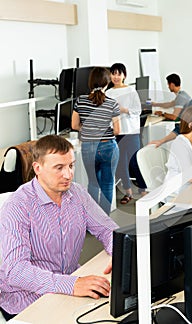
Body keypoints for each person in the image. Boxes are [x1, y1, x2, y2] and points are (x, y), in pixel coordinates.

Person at [0, 135, 119, 320]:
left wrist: (117, 251)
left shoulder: (77, 193)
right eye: (59, 168)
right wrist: (71, 285)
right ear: (37, 168)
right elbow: (16, 272)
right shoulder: (18, 206)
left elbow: (107, 230)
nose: (68, 174)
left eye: (71, 165)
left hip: (69, 285)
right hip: (26, 299)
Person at [72, 67, 121, 215]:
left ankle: (93, 218)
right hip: (108, 147)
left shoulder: (80, 101)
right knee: (107, 184)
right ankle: (104, 219)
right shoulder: (112, 103)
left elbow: (74, 125)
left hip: (88, 147)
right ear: (107, 83)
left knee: (93, 183)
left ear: (90, 82)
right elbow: (117, 130)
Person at [106, 63, 147, 204]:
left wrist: (122, 109)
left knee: (135, 161)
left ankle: (143, 191)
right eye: (113, 73)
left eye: (119, 74)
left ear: (124, 75)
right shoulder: (108, 93)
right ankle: (128, 192)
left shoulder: (131, 90)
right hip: (116, 132)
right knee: (120, 164)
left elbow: (138, 110)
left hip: (130, 131)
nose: (116, 77)